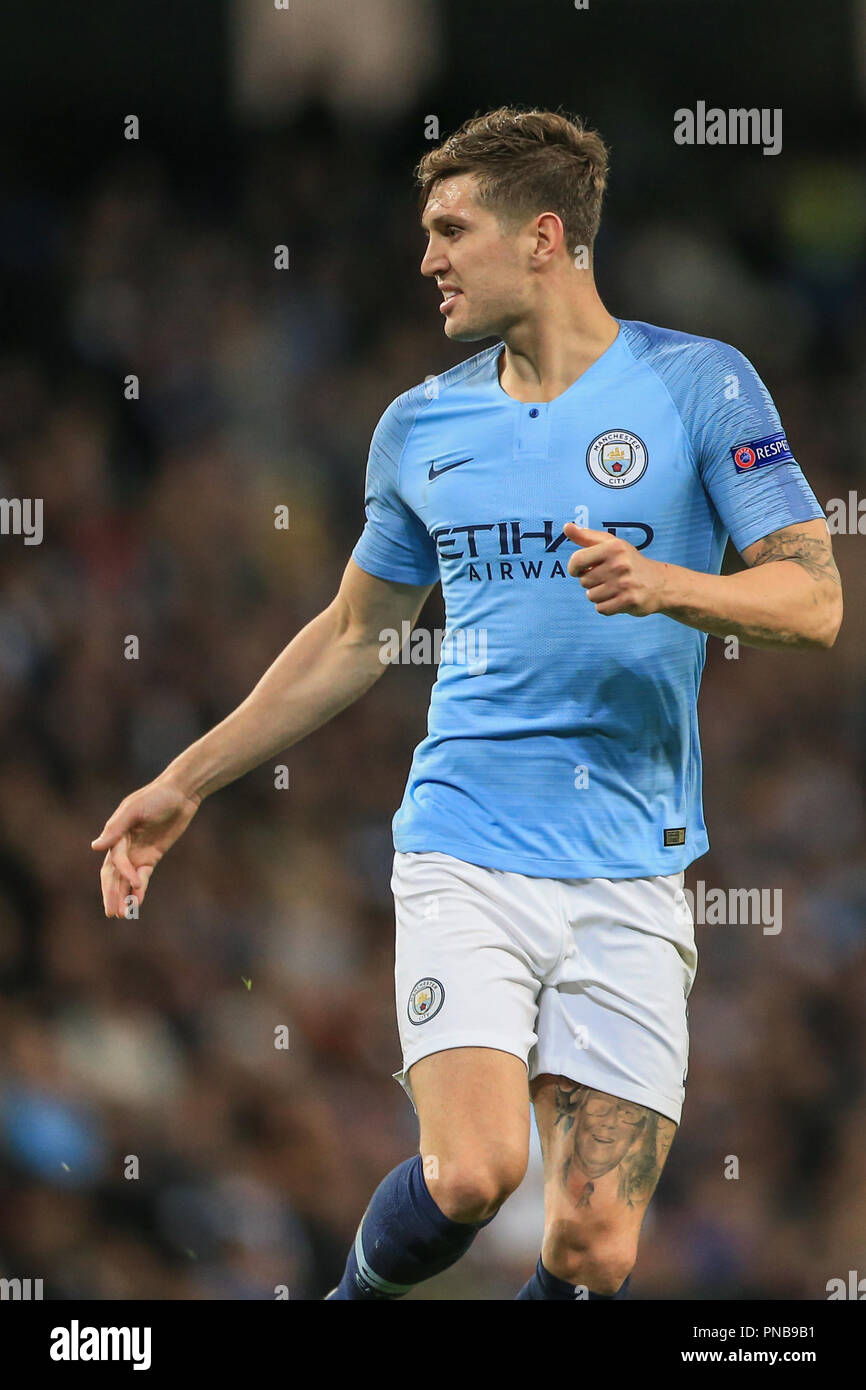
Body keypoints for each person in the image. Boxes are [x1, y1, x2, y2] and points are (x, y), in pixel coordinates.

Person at [92, 106, 842, 1301]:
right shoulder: (421, 425)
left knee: (592, 1248)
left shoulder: (699, 385)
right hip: (464, 845)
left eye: (451, 228)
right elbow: (355, 632)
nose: (426, 257)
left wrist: (669, 586)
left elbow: (812, 598)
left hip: (629, 867)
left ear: (543, 236)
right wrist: (183, 780)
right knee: (474, 1171)